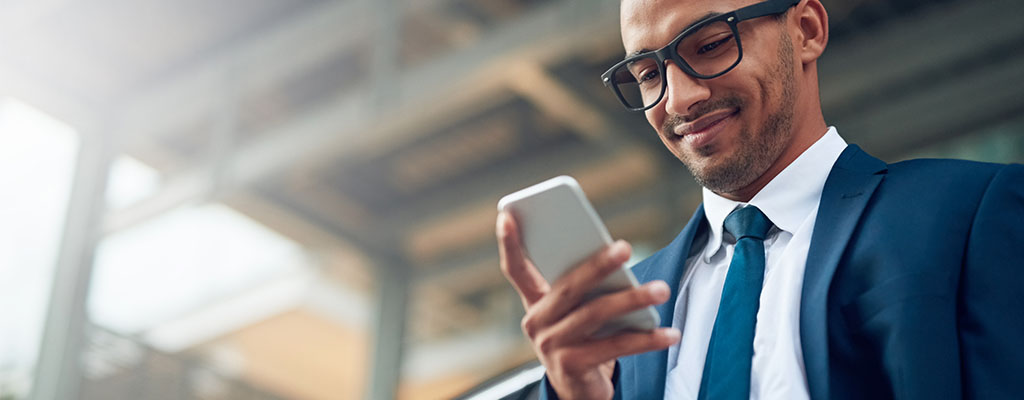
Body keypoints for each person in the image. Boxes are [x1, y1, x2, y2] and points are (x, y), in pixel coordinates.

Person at [495, 0, 1024, 398]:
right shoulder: (623, 309)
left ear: (807, 30)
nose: (680, 99)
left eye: (709, 45)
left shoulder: (970, 212)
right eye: (649, 74)